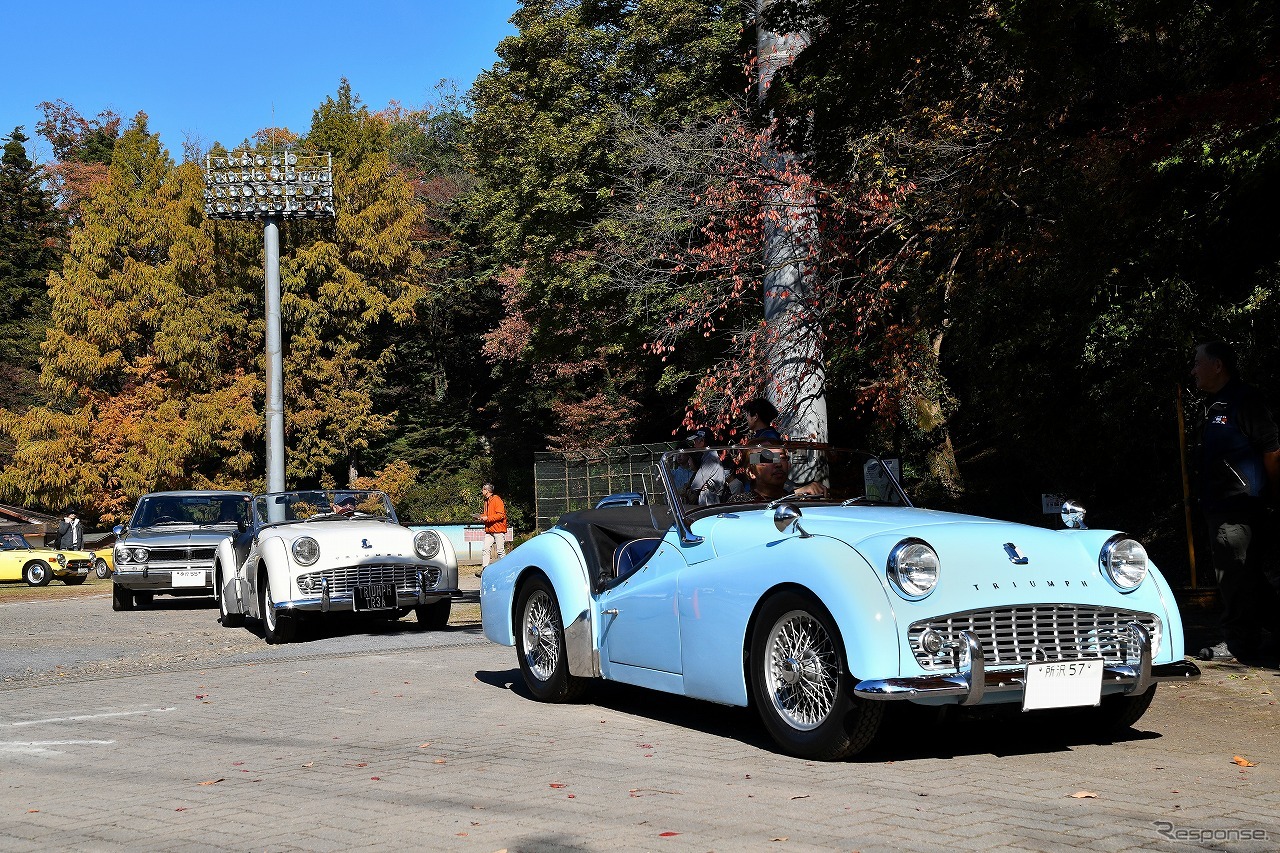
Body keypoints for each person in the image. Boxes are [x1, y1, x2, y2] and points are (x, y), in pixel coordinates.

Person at [1191, 341, 1280, 662]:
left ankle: (1239, 642)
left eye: (1197, 362)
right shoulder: (1211, 405)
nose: (1193, 369)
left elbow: (1272, 450)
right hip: (1216, 506)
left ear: (1218, 365)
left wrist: (1273, 495)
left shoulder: (1245, 400)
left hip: (1241, 507)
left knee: (1236, 577)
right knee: (1248, 577)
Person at [685, 429, 724, 506]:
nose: (694, 444)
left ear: (702, 441)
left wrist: (696, 487)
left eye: (695, 440)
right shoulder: (708, 457)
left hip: (710, 503)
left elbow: (696, 485)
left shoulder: (710, 459)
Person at [475, 483, 507, 574]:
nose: (482, 491)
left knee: (500, 551)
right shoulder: (486, 501)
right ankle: (485, 569)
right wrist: (480, 517)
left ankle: (506, 569)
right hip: (489, 530)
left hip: (498, 530)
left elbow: (501, 515)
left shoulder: (497, 499)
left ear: (487, 491)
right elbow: (486, 515)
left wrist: (487, 518)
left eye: (483, 490)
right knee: (485, 549)